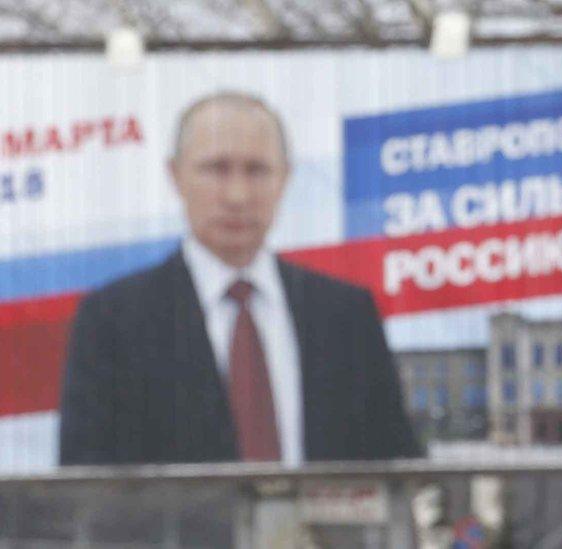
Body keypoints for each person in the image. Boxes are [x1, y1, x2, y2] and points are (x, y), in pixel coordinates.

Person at [59, 91, 422, 465]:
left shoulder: (345, 315)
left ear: (285, 177)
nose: (237, 195)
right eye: (217, 169)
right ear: (175, 176)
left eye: (257, 170)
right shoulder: (114, 321)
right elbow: (84, 485)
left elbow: (396, 462)